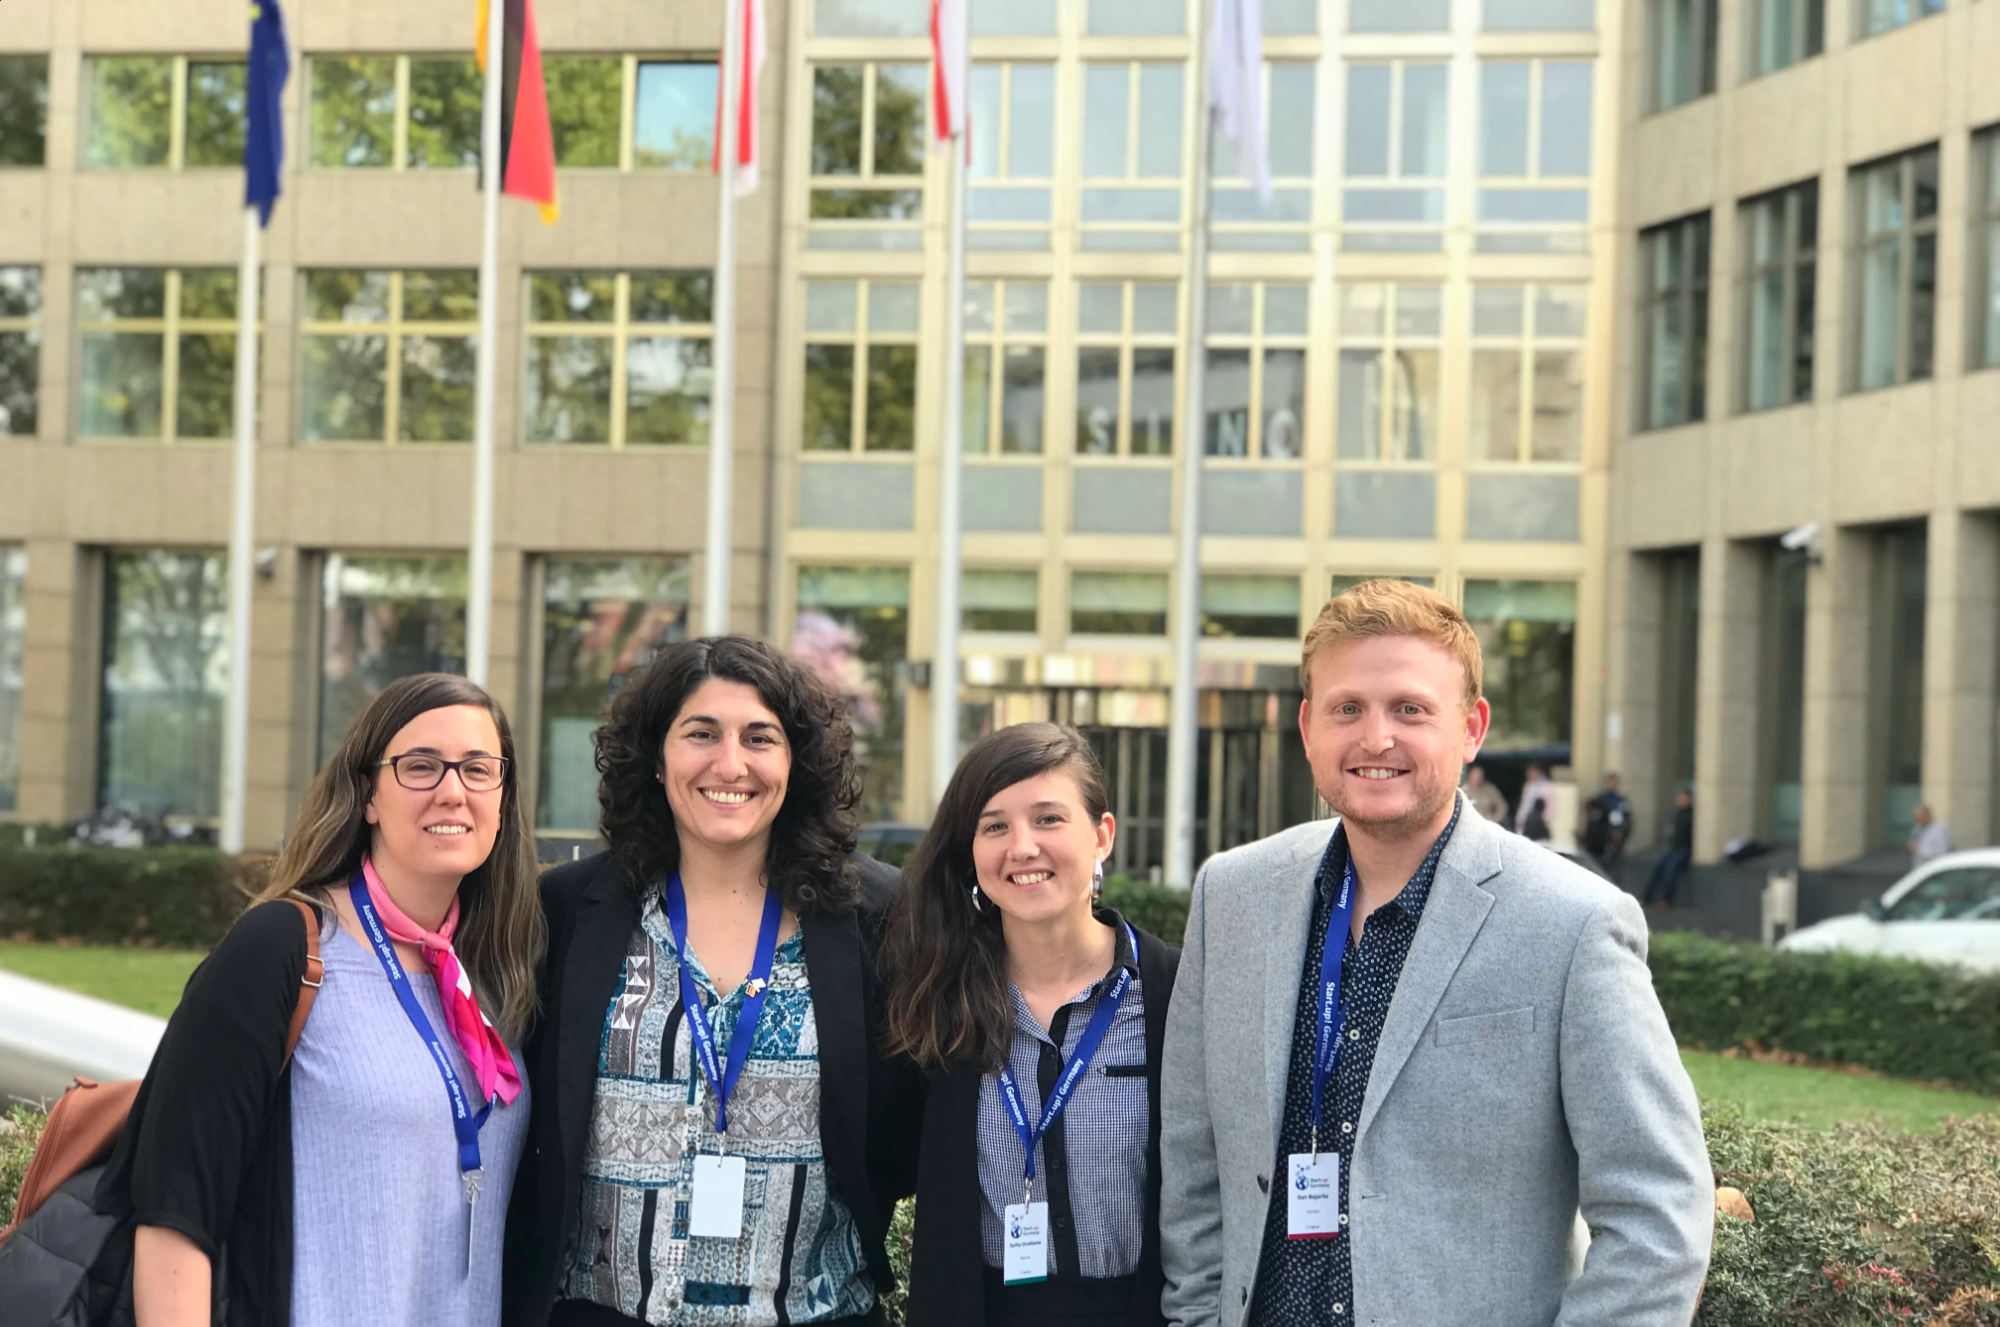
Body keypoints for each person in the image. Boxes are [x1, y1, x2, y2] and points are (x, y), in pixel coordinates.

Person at [1159, 579, 1712, 1327]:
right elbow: (1193, 1166)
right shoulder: (1231, 897)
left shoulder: (1573, 923)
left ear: (1472, 727)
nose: (1375, 737)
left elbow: (1659, 1212)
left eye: (1410, 709)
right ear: (1308, 726)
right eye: (1346, 707)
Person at [101, 673, 547, 1326]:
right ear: (368, 793)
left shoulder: (495, 971)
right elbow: (176, 1211)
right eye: (420, 766)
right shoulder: (281, 949)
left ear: (502, 797)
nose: (453, 789)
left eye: (479, 768)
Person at [504, 636, 920, 1327]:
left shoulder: (878, 917)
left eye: (761, 737)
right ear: (657, 757)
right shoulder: (568, 913)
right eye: (701, 733)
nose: (731, 763)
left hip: (815, 1312)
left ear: (797, 762)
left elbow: (911, 1124)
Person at [883, 724, 1180, 1327]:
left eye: (1048, 819)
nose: (1021, 847)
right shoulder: (934, 1000)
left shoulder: (1174, 992)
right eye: (995, 826)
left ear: (1102, 836)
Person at [1643, 789, 1695, 910]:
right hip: (1674, 848)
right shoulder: (1678, 814)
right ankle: (1646, 897)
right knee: (1658, 866)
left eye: (1683, 798)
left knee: (1671, 869)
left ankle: (1667, 900)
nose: (1680, 801)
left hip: (1685, 849)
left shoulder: (1691, 814)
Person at [1581, 773, 1632, 873]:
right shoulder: (1600, 800)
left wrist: (1622, 835)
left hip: (1615, 839)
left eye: (1614, 782)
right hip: (1600, 841)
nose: (1612, 785)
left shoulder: (1621, 801)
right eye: (1610, 782)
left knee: (1615, 869)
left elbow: (1627, 820)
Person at [1515, 762, 1555, 841]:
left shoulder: (1547, 787)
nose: (1529, 775)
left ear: (1538, 772)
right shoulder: (1527, 786)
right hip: (1527, 822)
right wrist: (1519, 819)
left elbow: (1551, 808)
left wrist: (1543, 821)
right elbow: (1524, 805)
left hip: (1540, 823)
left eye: (1531, 772)